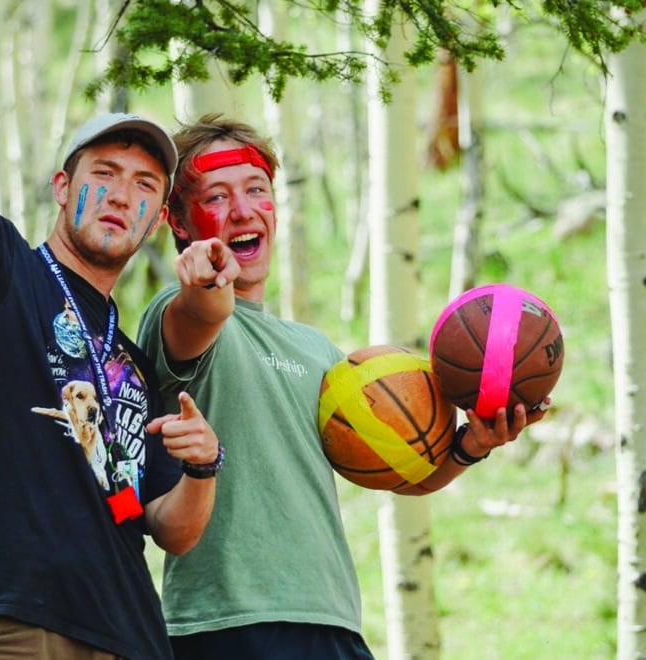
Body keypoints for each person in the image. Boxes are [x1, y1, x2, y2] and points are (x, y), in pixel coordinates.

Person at [0, 3, 222, 658]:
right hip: (8, 622)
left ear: (155, 221)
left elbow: (169, 528)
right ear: (63, 187)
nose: (124, 195)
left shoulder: (131, 364)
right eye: (105, 174)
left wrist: (204, 465)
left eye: (145, 184)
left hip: (130, 635)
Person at [136, 113, 550, 659]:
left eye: (256, 189)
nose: (241, 210)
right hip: (226, 626)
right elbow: (203, 311)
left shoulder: (319, 353)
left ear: (274, 208)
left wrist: (472, 445)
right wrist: (205, 279)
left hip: (332, 622)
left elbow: (408, 474)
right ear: (181, 225)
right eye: (216, 196)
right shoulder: (179, 313)